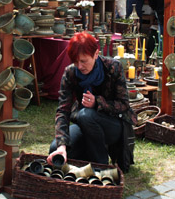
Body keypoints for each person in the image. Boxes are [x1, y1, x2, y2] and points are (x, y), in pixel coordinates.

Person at [47, 32, 136, 172]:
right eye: (75, 61)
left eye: (83, 61)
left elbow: (124, 105)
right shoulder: (70, 73)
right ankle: (87, 156)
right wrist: (62, 146)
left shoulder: (114, 67)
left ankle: (101, 166)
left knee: (86, 115)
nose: (80, 66)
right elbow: (63, 111)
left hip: (113, 125)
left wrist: (98, 103)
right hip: (84, 123)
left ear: (96, 54)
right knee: (55, 149)